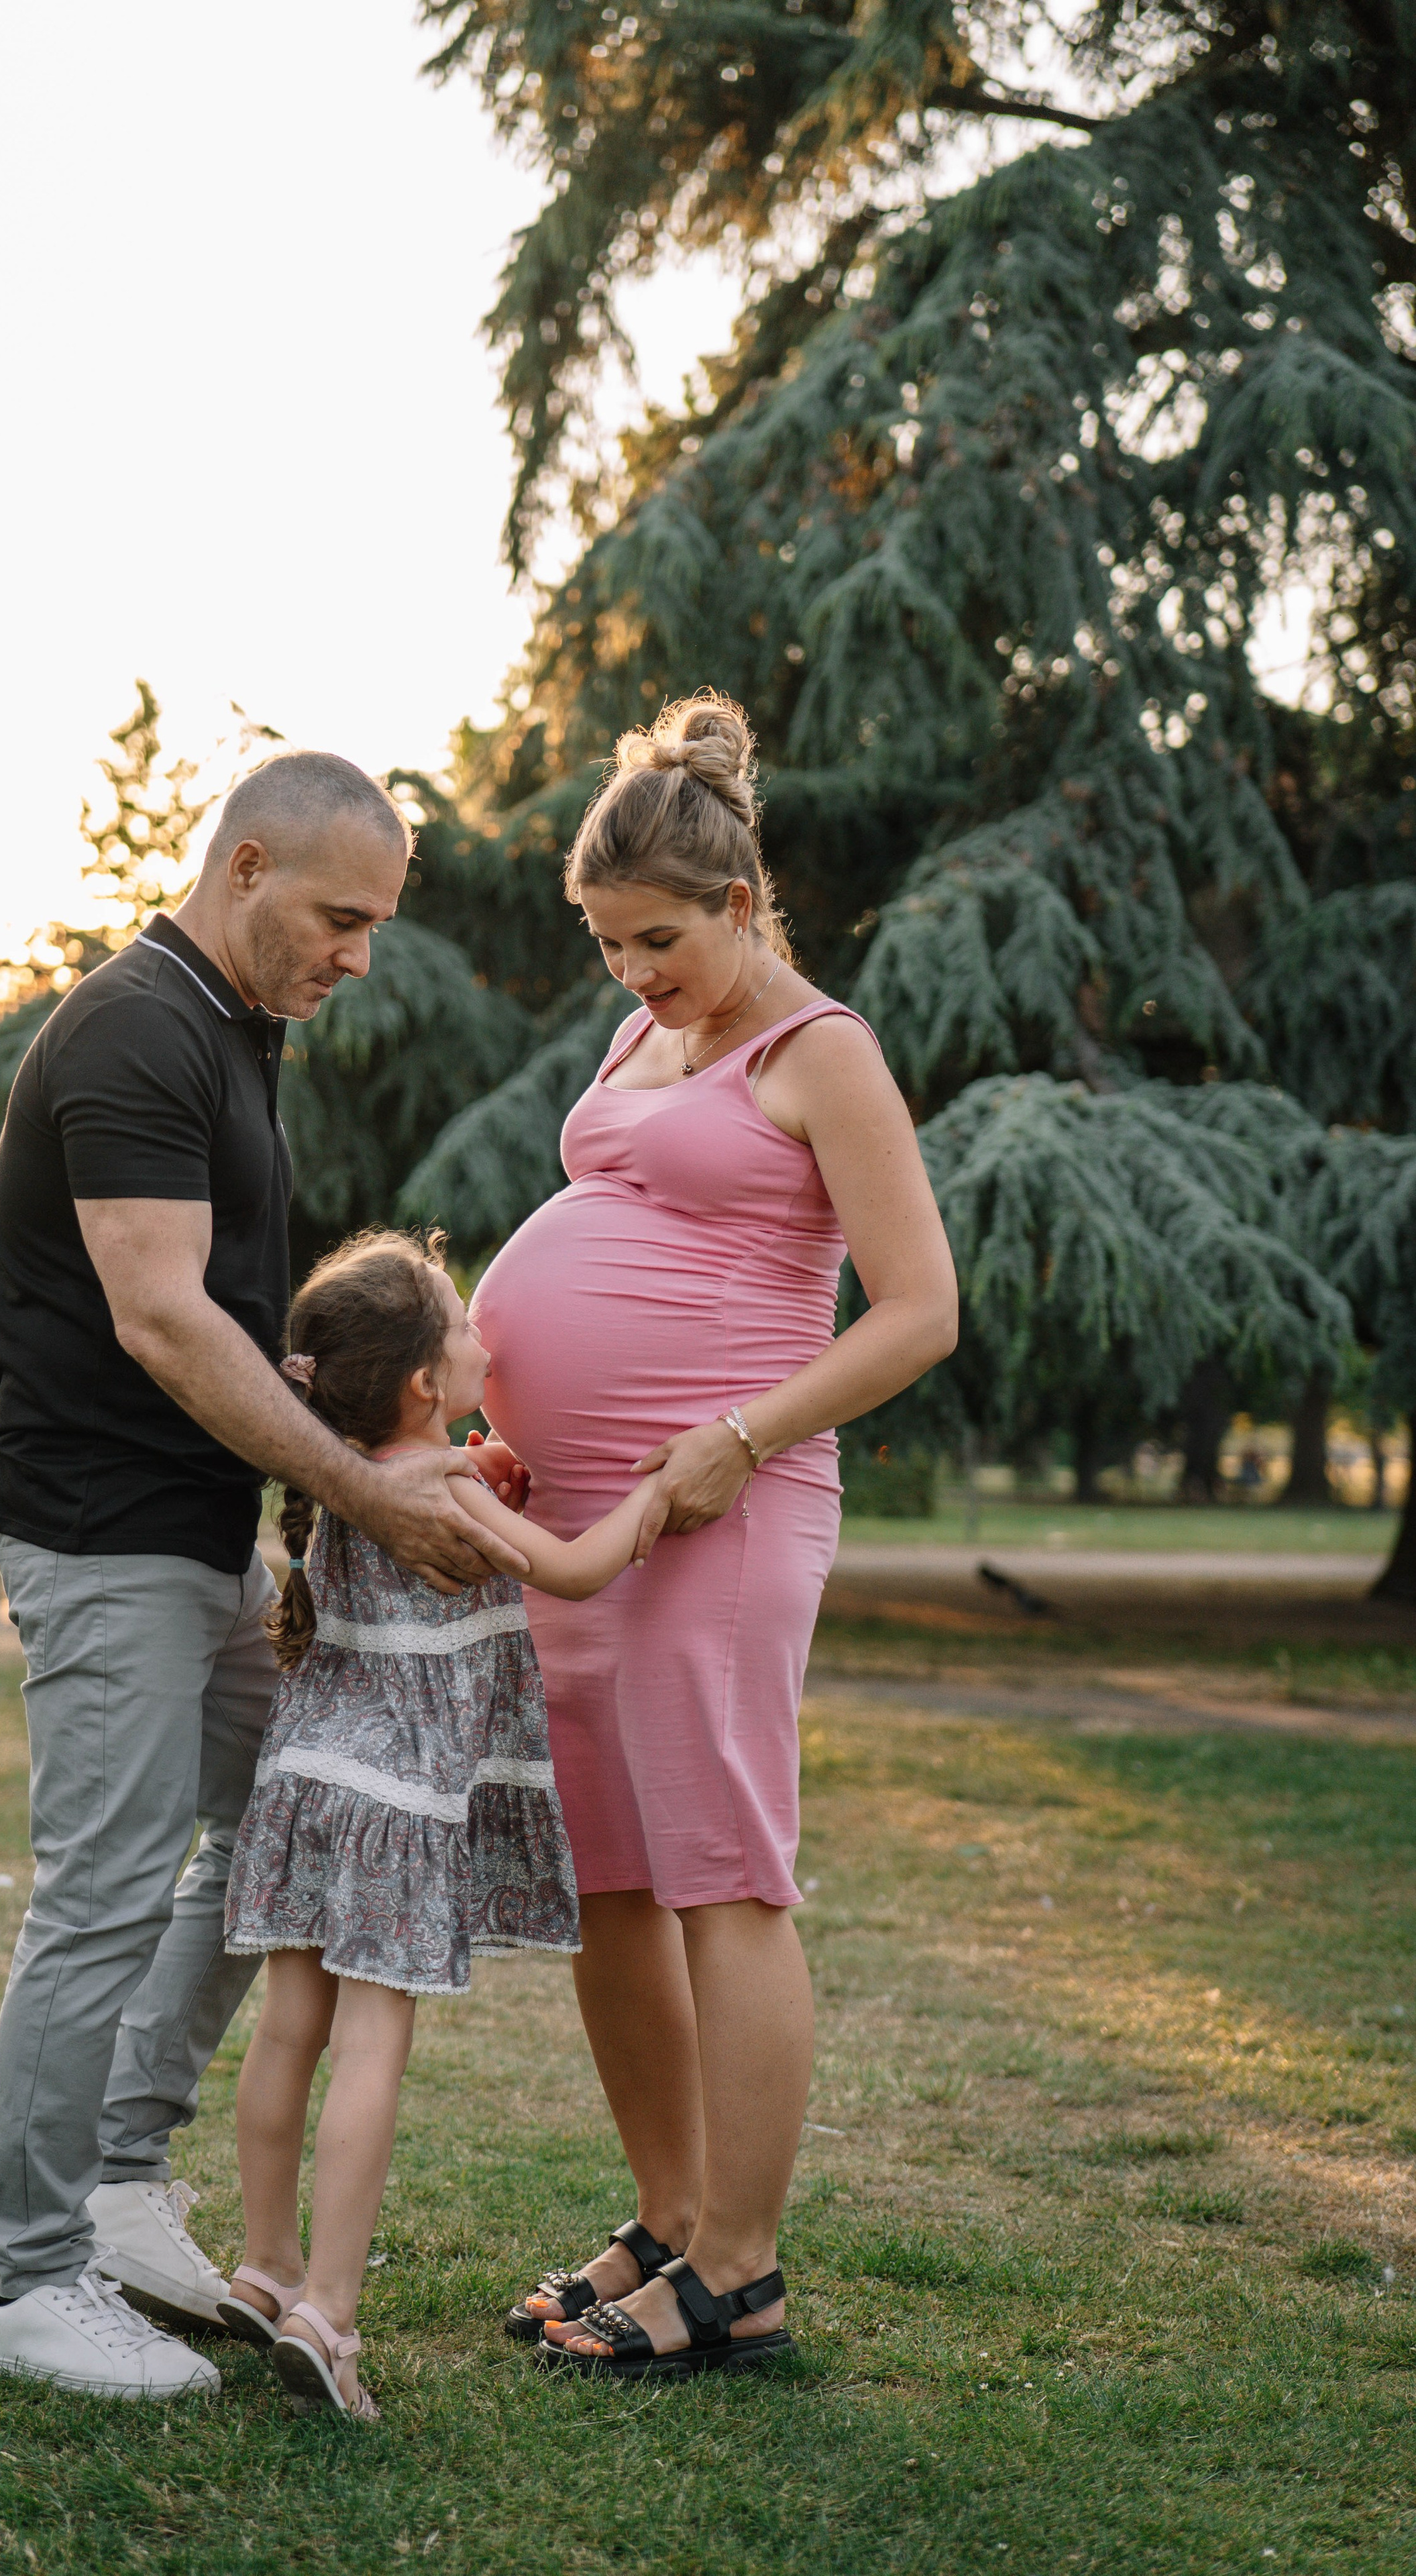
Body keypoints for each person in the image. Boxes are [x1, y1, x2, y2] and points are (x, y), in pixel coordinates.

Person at [0, 751, 532, 2402]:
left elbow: (256, 1324)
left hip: (191, 1534)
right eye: (340, 916)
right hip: (103, 1533)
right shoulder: (138, 1024)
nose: (358, 954)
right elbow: (160, 1313)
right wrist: (358, 1484)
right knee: (105, 1885)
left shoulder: (233, 1035)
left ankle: (124, 2177)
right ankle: (28, 2270)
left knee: (277, 1814)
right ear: (249, 863)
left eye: (375, 926)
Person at [471, 692, 958, 2382]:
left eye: (656, 940)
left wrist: (732, 1439)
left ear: (741, 907)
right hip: (582, 1523)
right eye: (606, 947)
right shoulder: (641, 1037)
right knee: (608, 1880)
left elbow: (915, 1314)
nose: (631, 975)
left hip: (722, 1505)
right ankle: (669, 2212)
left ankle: (737, 2272)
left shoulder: (817, 1050)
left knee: (722, 1878)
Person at [217, 1228, 660, 2419]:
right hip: (400, 1802)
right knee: (372, 2047)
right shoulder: (446, 1484)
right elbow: (570, 1573)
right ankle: (333, 2314)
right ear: (424, 1381)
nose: (485, 1339)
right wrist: (662, 1496)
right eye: (466, 1326)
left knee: (285, 2034)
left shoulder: (341, 1476)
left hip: (307, 1780)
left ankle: (264, 2268)